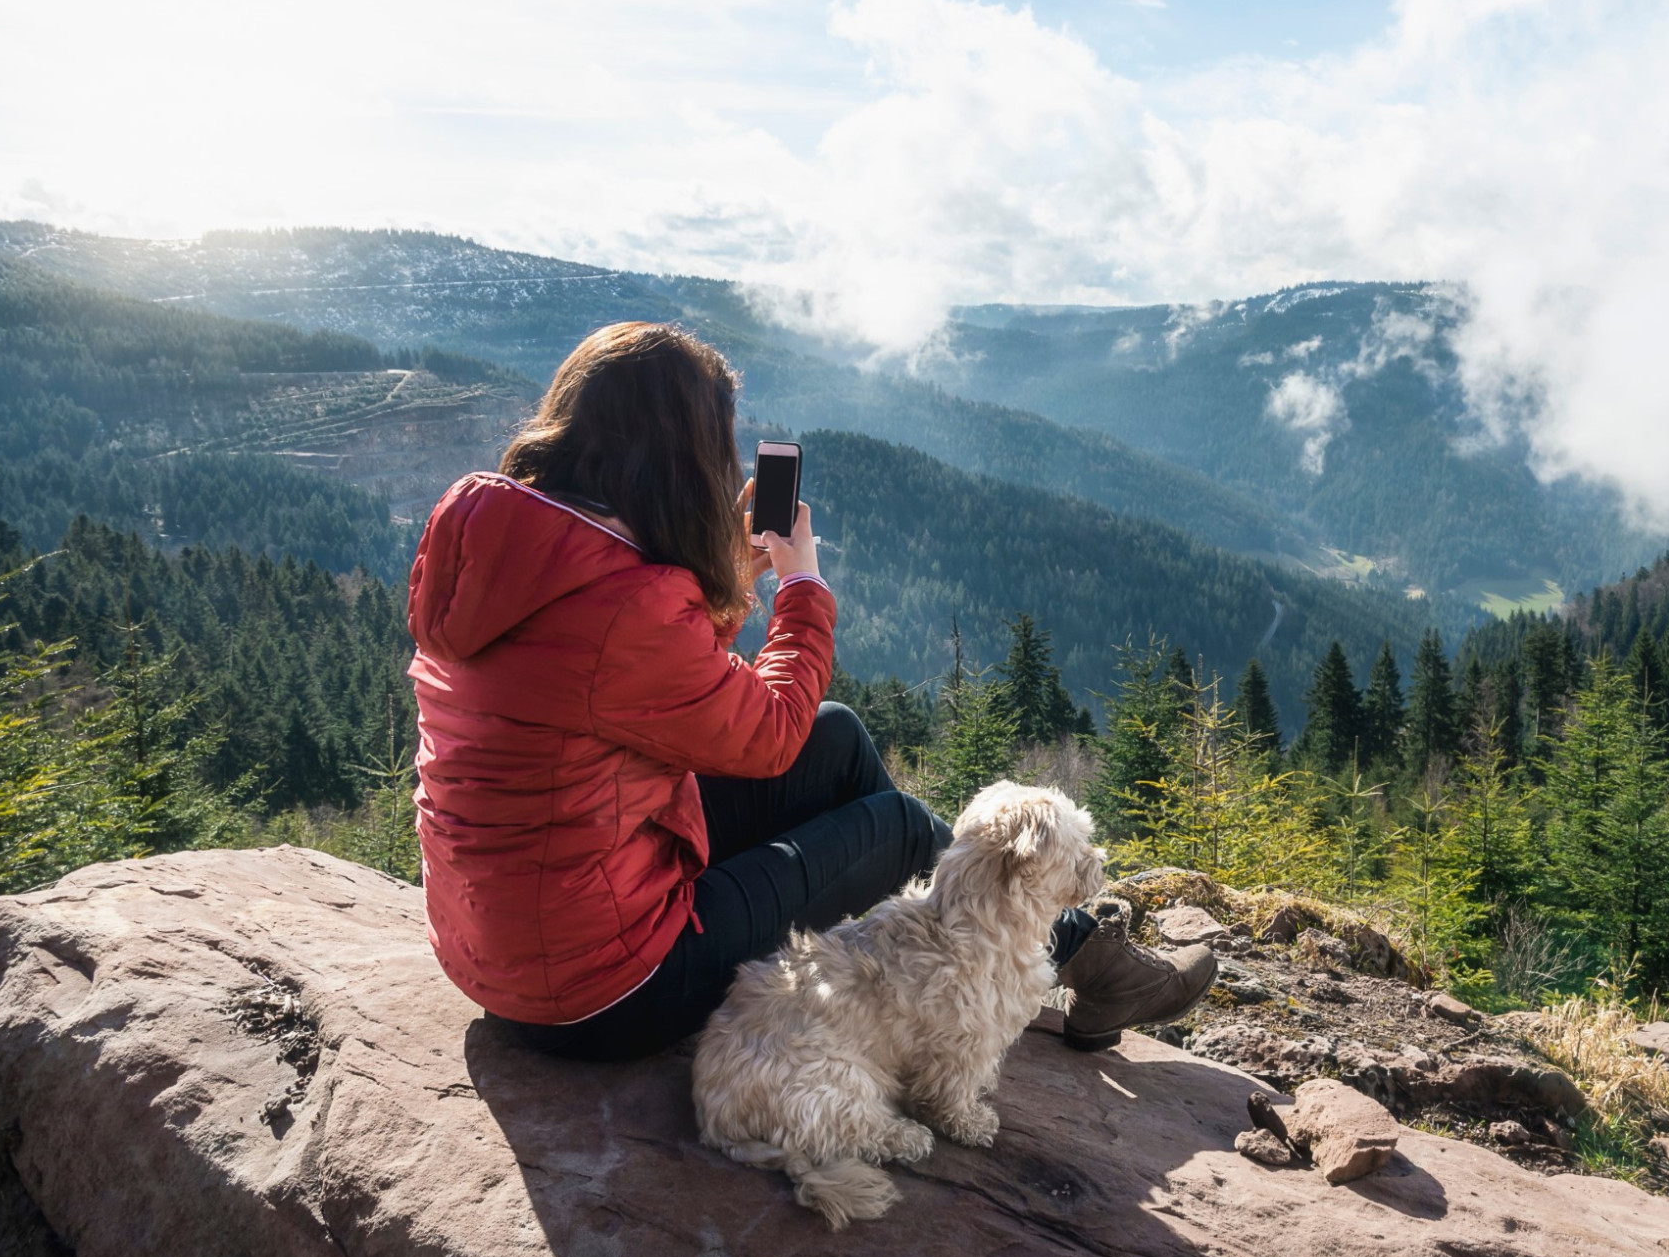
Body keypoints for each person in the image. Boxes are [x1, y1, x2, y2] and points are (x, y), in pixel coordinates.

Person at [407, 321, 1215, 1062]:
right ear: (674, 454)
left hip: (508, 941)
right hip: (604, 986)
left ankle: (970, 964)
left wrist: (719, 587)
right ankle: (1071, 954)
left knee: (835, 739)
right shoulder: (626, 603)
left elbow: (635, 692)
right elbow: (764, 733)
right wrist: (801, 587)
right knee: (892, 823)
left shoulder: (511, 543)